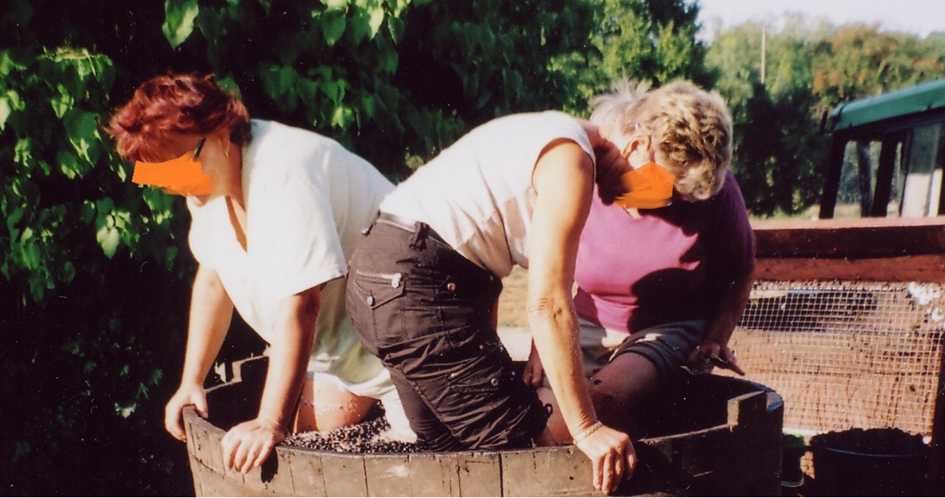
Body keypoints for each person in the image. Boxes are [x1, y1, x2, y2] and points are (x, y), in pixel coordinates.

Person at [106, 73, 414, 475]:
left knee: (411, 472)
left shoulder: (284, 170)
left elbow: (302, 305)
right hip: (345, 349)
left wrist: (270, 421)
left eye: (180, 167)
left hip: (411, 340)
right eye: (162, 177)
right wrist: (191, 380)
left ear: (219, 131)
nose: (180, 186)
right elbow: (213, 279)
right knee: (311, 467)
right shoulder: (209, 181)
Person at [345, 108, 637, 494]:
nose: (647, 202)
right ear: (640, 145)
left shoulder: (546, 128)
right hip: (417, 289)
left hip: (377, 275)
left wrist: (536, 348)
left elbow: (481, 256)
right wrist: (587, 428)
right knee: (529, 470)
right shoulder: (573, 160)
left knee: (450, 465)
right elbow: (548, 305)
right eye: (662, 183)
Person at [523, 81, 754, 444]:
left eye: (681, 196)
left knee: (601, 401)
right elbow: (549, 277)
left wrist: (717, 337)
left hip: (669, 328)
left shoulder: (719, 195)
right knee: (543, 421)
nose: (672, 202)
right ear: (642, 150)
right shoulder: (579, 172)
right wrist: (542, 344)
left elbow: (741, 270)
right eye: (670, 189)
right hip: (586, 322)